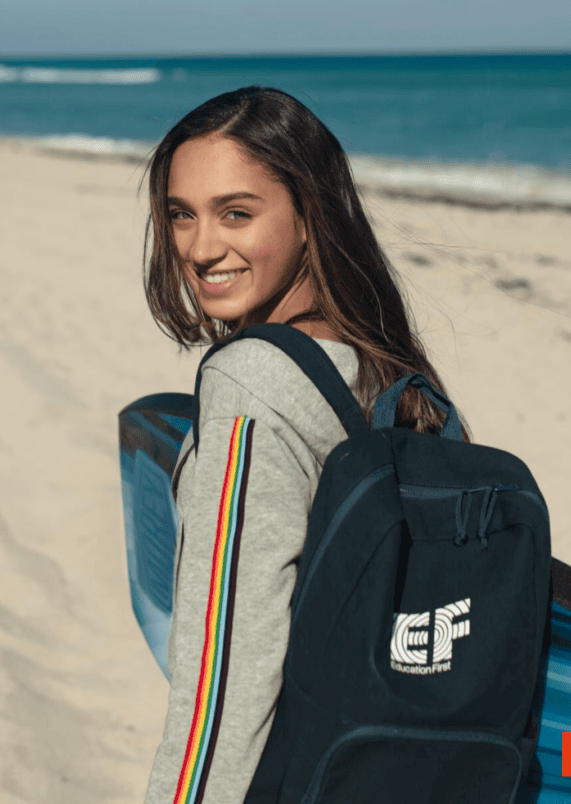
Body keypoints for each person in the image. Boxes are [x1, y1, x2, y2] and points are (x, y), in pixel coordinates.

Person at [140, 86, 470, 804]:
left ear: (308, 216)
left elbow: (228, 671)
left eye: (236, 213)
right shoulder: (398, 375)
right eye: (181, 215)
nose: (200, 248)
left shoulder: (251, 382)